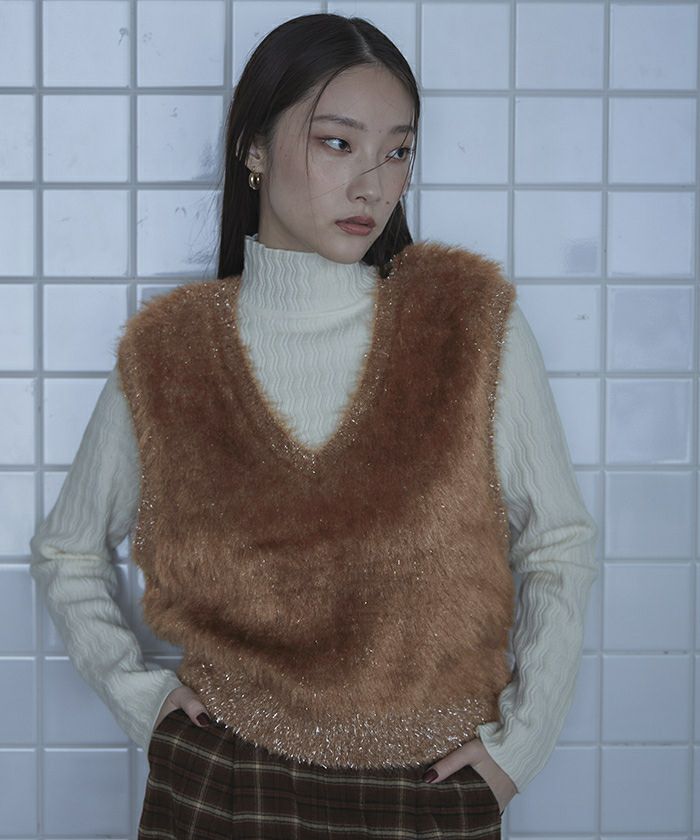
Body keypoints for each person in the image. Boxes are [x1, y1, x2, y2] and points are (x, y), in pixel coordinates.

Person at [29, 12, 598, 839]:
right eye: (338, 143)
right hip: (223, 786)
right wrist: (142, 702)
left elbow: (558, 545)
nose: (373, 184)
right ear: (253, 149)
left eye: (397, 151)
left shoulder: (467, 325)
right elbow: (68, 552)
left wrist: (520, 750)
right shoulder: (170, 353)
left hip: (428, 789)